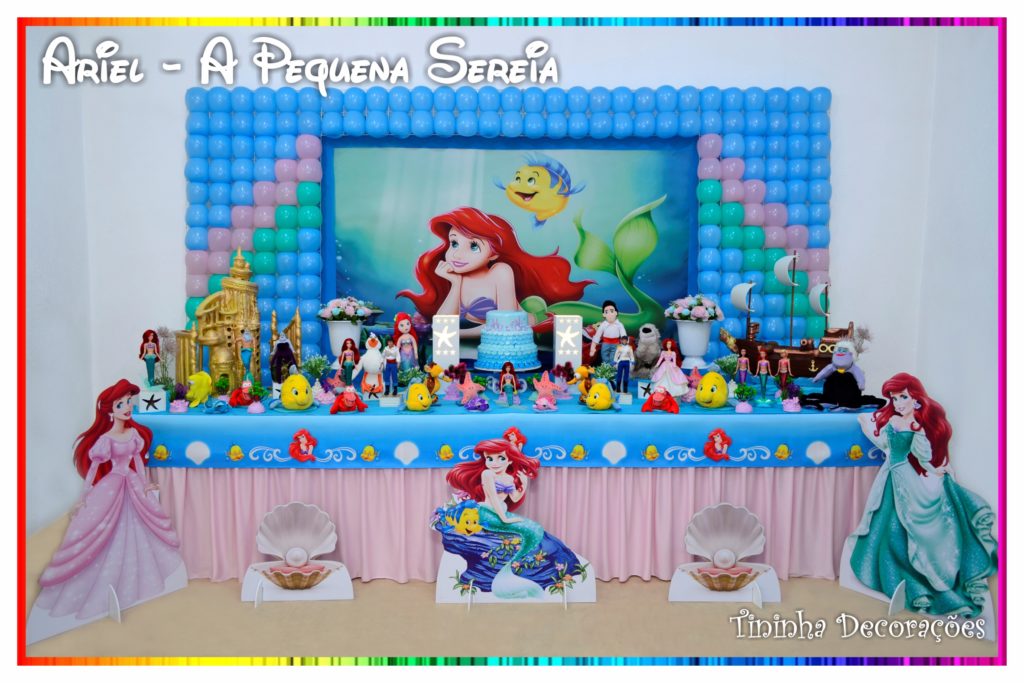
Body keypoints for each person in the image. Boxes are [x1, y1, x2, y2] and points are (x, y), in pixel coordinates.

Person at [29, 379, 185, 636]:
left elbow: (138, 461)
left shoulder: (133, 435)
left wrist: (145, 484)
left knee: (139, 527)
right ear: (110, 410)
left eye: (129, 402)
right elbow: (93, 469)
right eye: (121, 404)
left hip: (132, 483)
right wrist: (85, 495)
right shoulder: (105, 439)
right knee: (100, 527)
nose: (127, 407)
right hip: (112, 485)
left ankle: (137, 580)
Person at [843, 373, 997, 618]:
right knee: (883, 521)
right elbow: (884, 443)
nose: (898, 403)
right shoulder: (893, 420)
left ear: (915, 398)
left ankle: (915, 579)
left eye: (903, 397)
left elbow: (923, 457)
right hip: (889, 475)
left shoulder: (916, 426)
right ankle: (888, 571)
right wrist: (865, 425)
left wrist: (938, 470)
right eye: (894, 398)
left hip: (905, 478)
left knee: (903, 525)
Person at [397, 207, 592, 338]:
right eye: (454, 243)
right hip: (500, 338)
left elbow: (506, 324)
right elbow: (443, 325)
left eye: (474, 246)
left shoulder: (500, 271)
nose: (457, 253)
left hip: (540, 324)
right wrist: (455, 284)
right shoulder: (458, 277)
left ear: (493, 254)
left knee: (591, 322)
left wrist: (460, 335)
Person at [446, 437, 545, 598]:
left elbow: (514, 498)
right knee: (532, 530)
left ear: (510, 460)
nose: (495, 463)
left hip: (501, 513)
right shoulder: (487, 474)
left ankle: (511, 570)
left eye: (501, 458)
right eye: (490, 459)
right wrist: (505, 519)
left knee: (536, 529)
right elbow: (493, 498)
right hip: (488, 513)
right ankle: (509, 569)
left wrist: (524, 484)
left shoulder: (509, 478)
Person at [590, 301, 627, 366]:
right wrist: (593, 347)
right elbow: (597, 336)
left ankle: (611, 368)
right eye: (606, 312)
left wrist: (625, 345)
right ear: (604, 314)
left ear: (616, 313)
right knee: (604, 356)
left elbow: (623, 335)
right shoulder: (603, 325)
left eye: (612, 311)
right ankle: (606, 368)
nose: (609, 314)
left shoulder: (619, 325)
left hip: (616, 344)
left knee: (614, 358)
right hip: (605, 343)